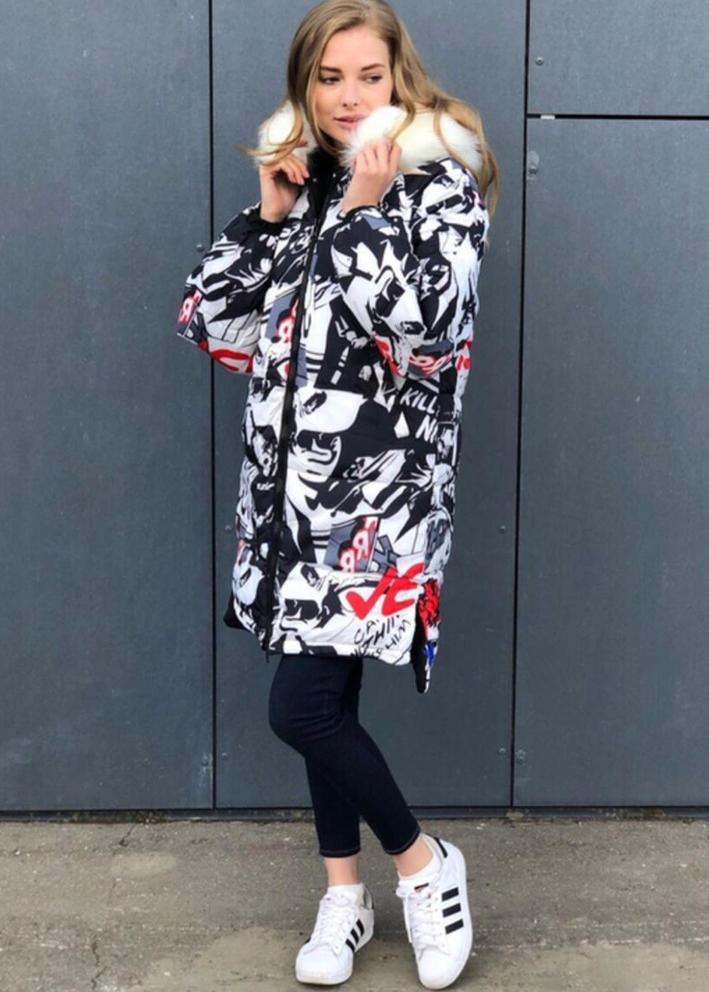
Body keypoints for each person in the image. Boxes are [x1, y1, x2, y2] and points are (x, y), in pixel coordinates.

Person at [175, 1, 498, 986]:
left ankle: (423, 864)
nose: (349, 96)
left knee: (302, 707)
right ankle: (344, 895)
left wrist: (361, 211)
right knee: (329, 697)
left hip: (375, 513)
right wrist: (271, 215)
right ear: (305, 88)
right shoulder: (307, 184)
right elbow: (216, 329)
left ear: (400, 80)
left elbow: (429, 331)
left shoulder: (438, 186)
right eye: (328, 78)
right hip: (287, 507)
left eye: (368, 75)